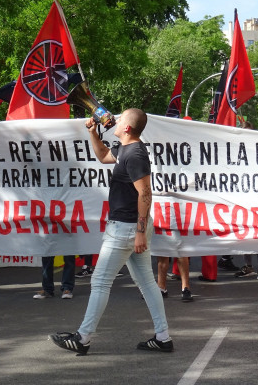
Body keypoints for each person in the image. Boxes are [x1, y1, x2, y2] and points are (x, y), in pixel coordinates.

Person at [50, 108, 172, 354]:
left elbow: (145, 193)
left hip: (127, 228)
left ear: (127, 128)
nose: (115, 119)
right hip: (130, 227)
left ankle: (82, 338)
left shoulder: (135, 153)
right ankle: (163, 337)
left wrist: (139, 232)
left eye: (121, 117)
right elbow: (104, 156)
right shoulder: (125, 149)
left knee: (100, 281)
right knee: (147, 282)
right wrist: (94, 133)